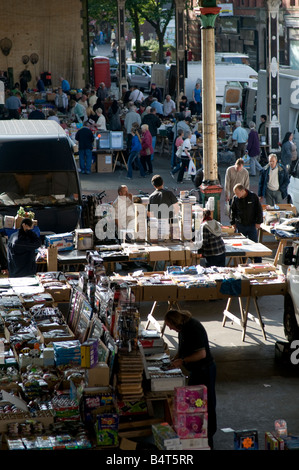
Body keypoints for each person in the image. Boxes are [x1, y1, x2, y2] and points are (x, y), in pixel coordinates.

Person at [164, 309, 217, 449]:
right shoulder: (183, 329)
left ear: (176, 323)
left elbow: (201, 354)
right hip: (196, 371)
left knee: (206, 405)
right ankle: (197, 432)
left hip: (205, 371)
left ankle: (208, 436)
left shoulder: (193, 329)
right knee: (196, 404)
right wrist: (173, 360)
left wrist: (181, 361)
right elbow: (182, 350)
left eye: (170, 325)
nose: (169, 328)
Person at [230, 183, 263, 262]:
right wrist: (233, 223)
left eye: (237, 193)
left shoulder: (253, 196)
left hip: (251, 224)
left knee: (254, 244)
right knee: (242, 246)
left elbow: (259, 210)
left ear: (243, 191)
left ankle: (258, 263)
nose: (236, 195)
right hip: (240, 225)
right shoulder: (235, 198)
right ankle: (243, 262)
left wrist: (258, 222)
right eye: (235, 193)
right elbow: (232, 211)